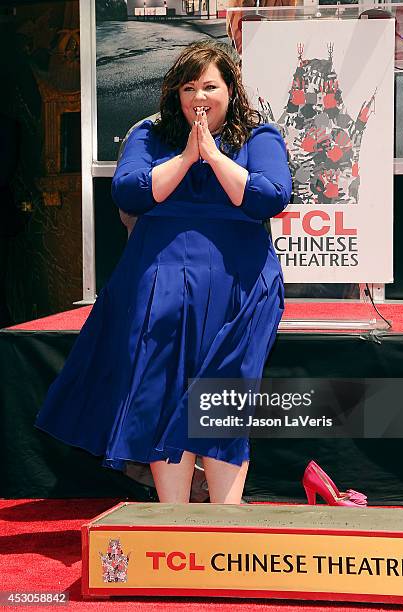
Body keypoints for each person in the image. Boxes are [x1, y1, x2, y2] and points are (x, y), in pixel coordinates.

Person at [34, 40, 292, 504]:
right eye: (189, 87)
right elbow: (130, 192)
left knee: (221, 401)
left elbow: (270, 196)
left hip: (239, 287)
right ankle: (173, 520)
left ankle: (225, 525)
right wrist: (187, 157)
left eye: (210, 86)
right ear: (176, 93)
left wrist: (214, 156)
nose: (199, 97)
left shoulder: (259, 136)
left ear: (230, 89)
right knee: (161, 396)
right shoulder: (149, 135)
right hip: (160, 283)